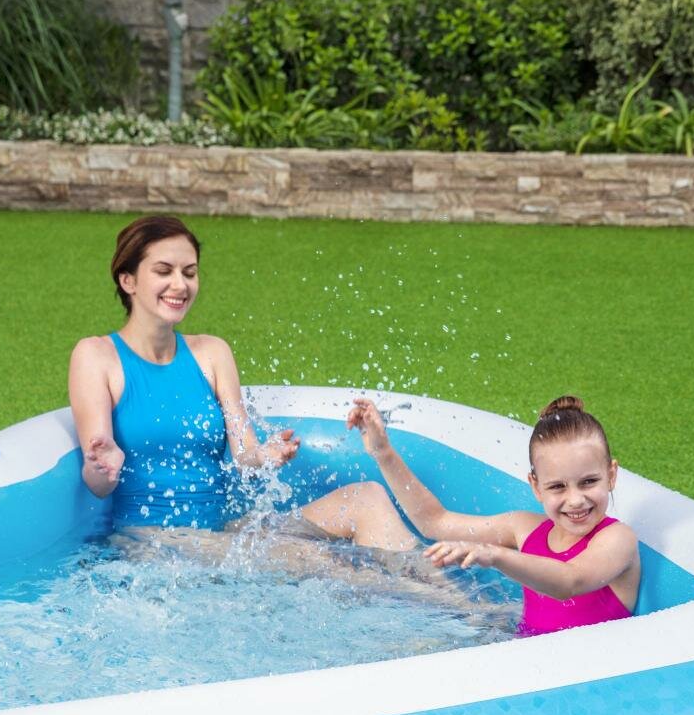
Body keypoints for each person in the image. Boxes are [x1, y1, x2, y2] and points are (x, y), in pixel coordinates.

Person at [69, 214, 418, 549]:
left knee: (367, 498)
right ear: (128, 281)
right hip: (152, 542)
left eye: (189, 272)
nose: (180, 284)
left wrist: (264, 454)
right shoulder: (96, 356)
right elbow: (98, 484)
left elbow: (244, 454)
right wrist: (104, 467)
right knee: (326, 563)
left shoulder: (212, 353)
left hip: (220, 536)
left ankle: (443, 587)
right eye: (164, 271)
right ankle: (428, 594)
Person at [346, 394, 640, 635]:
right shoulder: (526, 529)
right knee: (380, 588)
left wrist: (496, 555)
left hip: (579, 676)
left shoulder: (617, 539)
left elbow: (569, 581)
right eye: (557, 487)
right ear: (536, 487)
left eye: (589, 482)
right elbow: (434, 521)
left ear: (611, 475)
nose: (575, 500)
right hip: (522, 647)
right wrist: (383, 453)